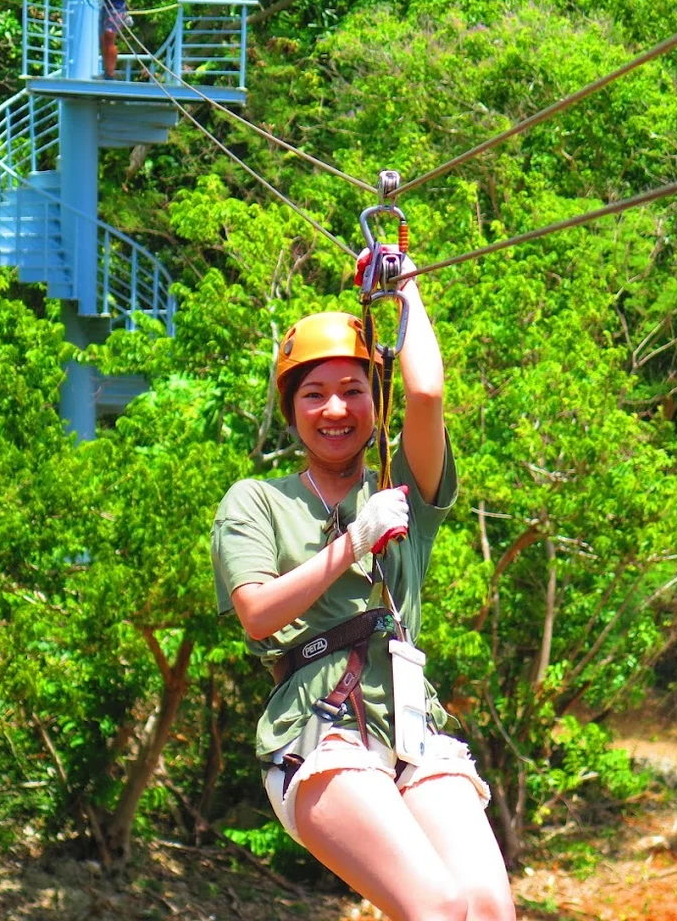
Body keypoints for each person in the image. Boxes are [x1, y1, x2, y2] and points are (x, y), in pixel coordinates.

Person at [212, 264, 515, 921]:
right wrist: (352, 543)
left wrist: (403, 285)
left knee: (485, 907)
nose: (334, 409)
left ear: (374, 407)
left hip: (410, 718)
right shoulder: (257, 502)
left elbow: (427, 394)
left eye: (353, 391)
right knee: (433, 905)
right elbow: (257, 614)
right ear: (292, 411)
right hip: (318, 724)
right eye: (313, 394)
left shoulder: (401, 490)